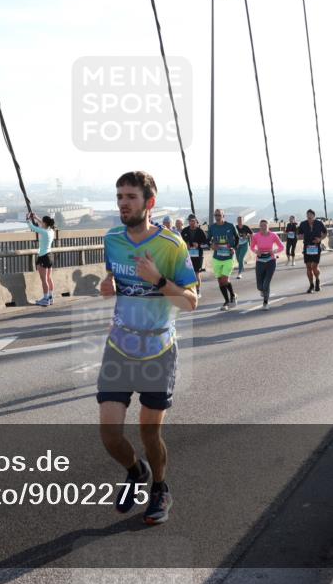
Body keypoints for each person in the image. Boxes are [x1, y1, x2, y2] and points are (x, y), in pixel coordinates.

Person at [98, 171, 198, 525]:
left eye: (130, 197)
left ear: (149, 203)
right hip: (119, 348)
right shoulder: (111, 239)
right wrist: (106, 285)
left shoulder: (171, 246)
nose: (123, 203)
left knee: (148, 433)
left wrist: (157, 279)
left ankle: (159, 487)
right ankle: (135, 470)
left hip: (158, 350)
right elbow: (113, 280)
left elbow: (191, 302)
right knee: (109, 434)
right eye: (119, 196)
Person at [208, 210, 240, 310]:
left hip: (228, 257)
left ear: (223, 216)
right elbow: (207, 239)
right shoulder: (212, 227)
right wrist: (211, 245)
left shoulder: (230, 226)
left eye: (219, 215)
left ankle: (230, 299)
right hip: (217, 257)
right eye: (216, 215)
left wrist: (233, 248)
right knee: (220, 281)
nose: (217, 217)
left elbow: (237, 238)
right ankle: (229, 298)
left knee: (225, 279)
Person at [250, 219, 284, 309]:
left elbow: (282, 247)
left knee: (266, 283)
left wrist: (273, 251)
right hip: (260, 261)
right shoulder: (256, 236)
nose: (263, 227)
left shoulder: (273, 235)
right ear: (259, 227)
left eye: (265, 225)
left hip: (271, 261)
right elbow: (252, 247)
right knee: (259, 286)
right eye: (261, 225)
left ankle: (265, 303)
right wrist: (256, 251)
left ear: (268, 226)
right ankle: (262, 290)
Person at [27, 212, 58, 306]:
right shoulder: (51, 231)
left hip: (43, 257)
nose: (41, 223)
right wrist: (36, 217)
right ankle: (50, 297)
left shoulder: (44, 232)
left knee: (44, 280)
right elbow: (43, 224)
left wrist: (27, 219)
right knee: (49, 278)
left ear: (45, 223)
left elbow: (33, 228)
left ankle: (45, 299)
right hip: (50, 256)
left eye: (42, 222)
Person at [298, 210, 327, 293]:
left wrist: (320, 239)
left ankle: (317, 280)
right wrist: (300, 236)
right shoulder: (303, 224)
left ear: (314, 216)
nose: (309, 216)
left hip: (316, 247)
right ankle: (311, 285)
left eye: (310, 215)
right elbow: (299, 235)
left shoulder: (319, 223)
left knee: (314, 266)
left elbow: (325, 233)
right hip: (307, 247)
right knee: (308, 267)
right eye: (308, 215)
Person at [180, 214, 207, 298]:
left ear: (196, 221)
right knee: (187, 273)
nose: (191, 223)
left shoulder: (200, 231)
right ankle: (189, 290)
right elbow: (180, 243)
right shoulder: (184, 231)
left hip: (198, 255)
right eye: (190, 221)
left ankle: (198, 291)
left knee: (196, 273)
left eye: (193, 221)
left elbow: (206, 244)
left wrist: (198, 245)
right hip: (187, 255)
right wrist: (185, 245)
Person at [234, 216, 253, 280]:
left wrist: (247, 236)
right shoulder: (235, 227)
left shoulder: (246, 227)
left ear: (243, 221)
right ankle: (242, 264)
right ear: (237, 221)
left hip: (244, 244)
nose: (240, 221)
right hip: (237, 245)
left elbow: (251, 234)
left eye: (241, 220)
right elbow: (232, 235)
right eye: (238, 220)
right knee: (237, 258)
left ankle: (239, 273)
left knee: (240, 258)